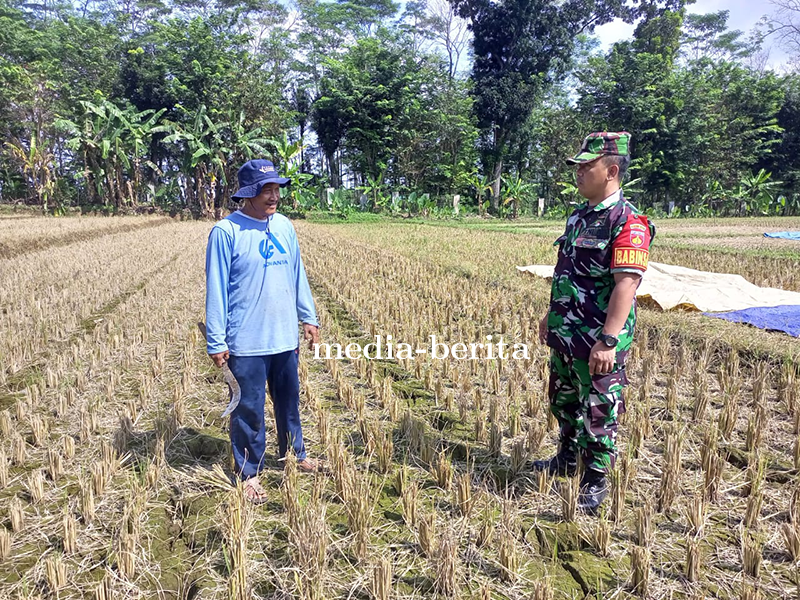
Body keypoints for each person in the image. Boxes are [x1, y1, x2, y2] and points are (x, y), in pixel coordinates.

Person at [534, 131, 655, 514]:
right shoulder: (580, 216)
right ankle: (567, 458)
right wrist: (550, 318)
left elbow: (626, 285)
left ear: (612, 170)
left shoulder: (628, 223)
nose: (579, 172)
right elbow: (566, 273)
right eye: (578, 166)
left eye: (587, 166)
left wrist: (609, 339)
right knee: (564, 399)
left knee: (599, 407)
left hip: (597, 338)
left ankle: (596, 478)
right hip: (567, 333)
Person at [205, 158, 321, 504]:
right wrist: (217, 340)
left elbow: (298, 274)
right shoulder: (227, 232)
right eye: (265, 189)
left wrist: (309, 317)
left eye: (275, 188)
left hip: (284, 336)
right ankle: (249, 473)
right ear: (248, 193)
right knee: (249, 408)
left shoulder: (284, 226)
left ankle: (295, 455)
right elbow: (216, 288)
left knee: (289, 402)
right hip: (247, 341)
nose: (273, 196)